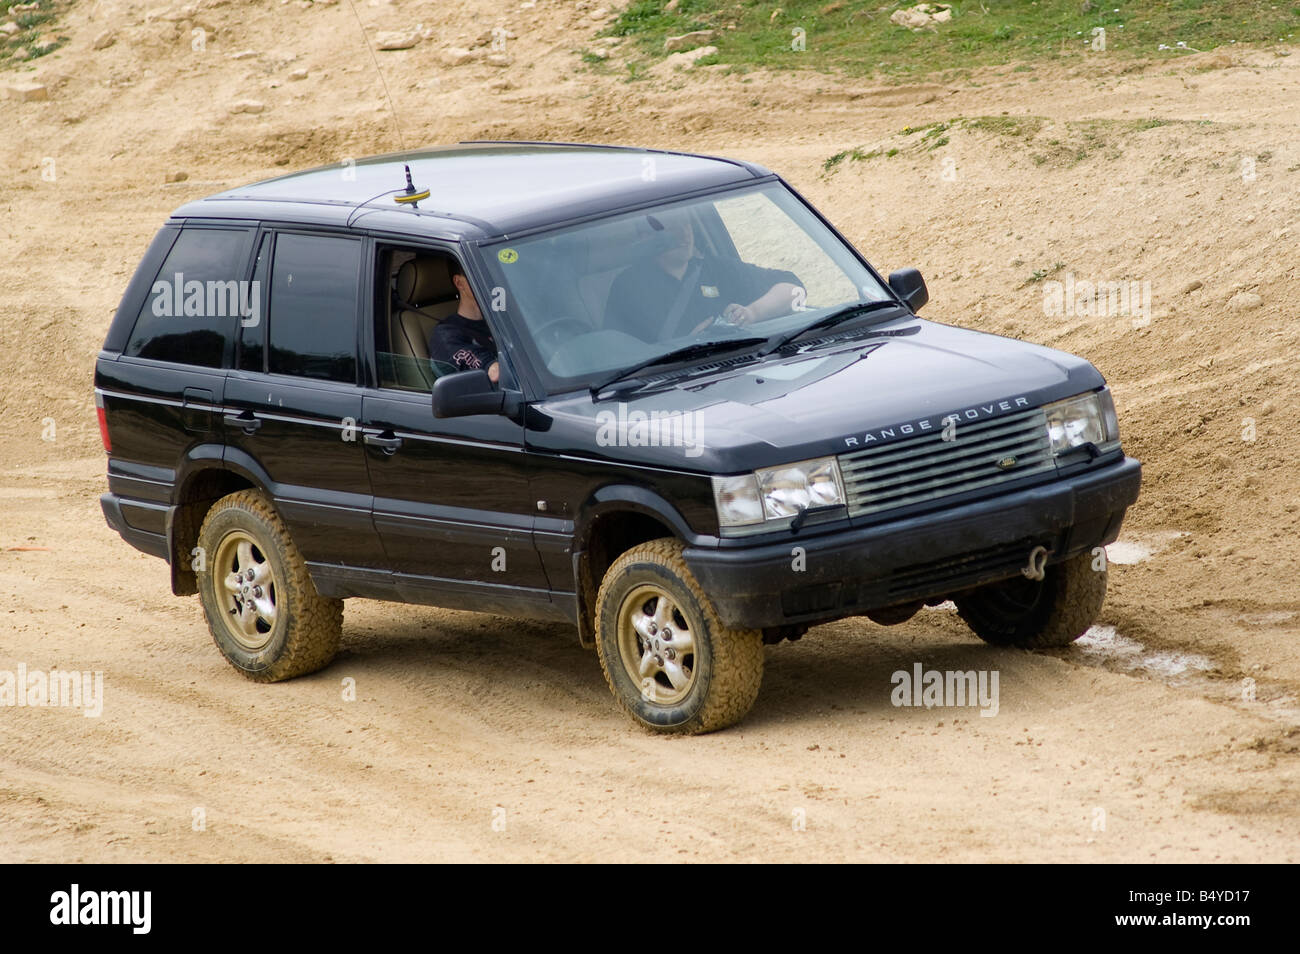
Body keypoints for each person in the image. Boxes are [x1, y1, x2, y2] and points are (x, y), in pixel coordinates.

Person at [605, 210, 803, 342]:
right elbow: (618, 355)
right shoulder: (628, 287)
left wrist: (751, 314)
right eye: (672, 227)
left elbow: (794, 289)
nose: (685, 234)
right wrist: (687, 345)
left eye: (686, 224)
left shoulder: (714, 268)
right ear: (647, 237)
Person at [429, 259, 500, 383]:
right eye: (480, 273)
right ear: (459, 283)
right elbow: (495, 374)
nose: (490, 279)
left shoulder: (505, 317)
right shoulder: (446, 335)